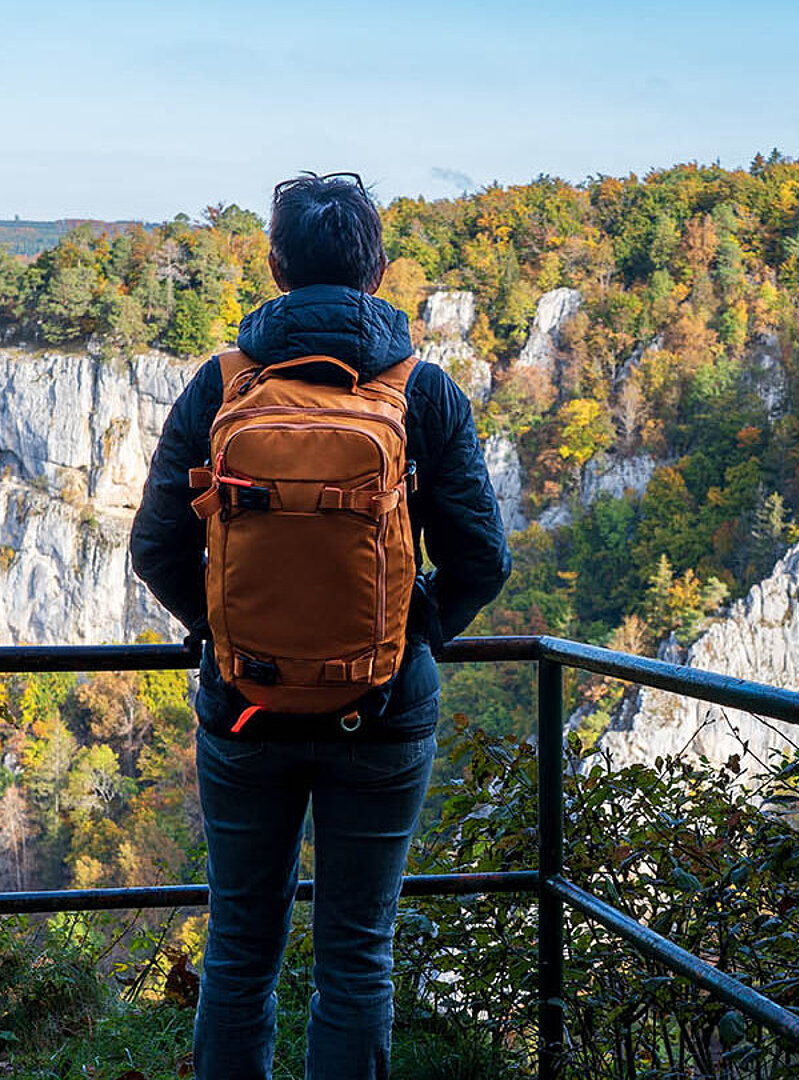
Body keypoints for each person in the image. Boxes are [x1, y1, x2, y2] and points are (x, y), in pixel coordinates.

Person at [129, 171, 510, 1080]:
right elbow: (484, 560)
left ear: (274, 267)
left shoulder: (220, 384)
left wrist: (216, 630)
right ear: (376, 270)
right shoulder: (424, 390)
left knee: (240, 955)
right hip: (380, 710)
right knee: (355, 955)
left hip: (246, 705)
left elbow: (155, 547)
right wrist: (406, 632)